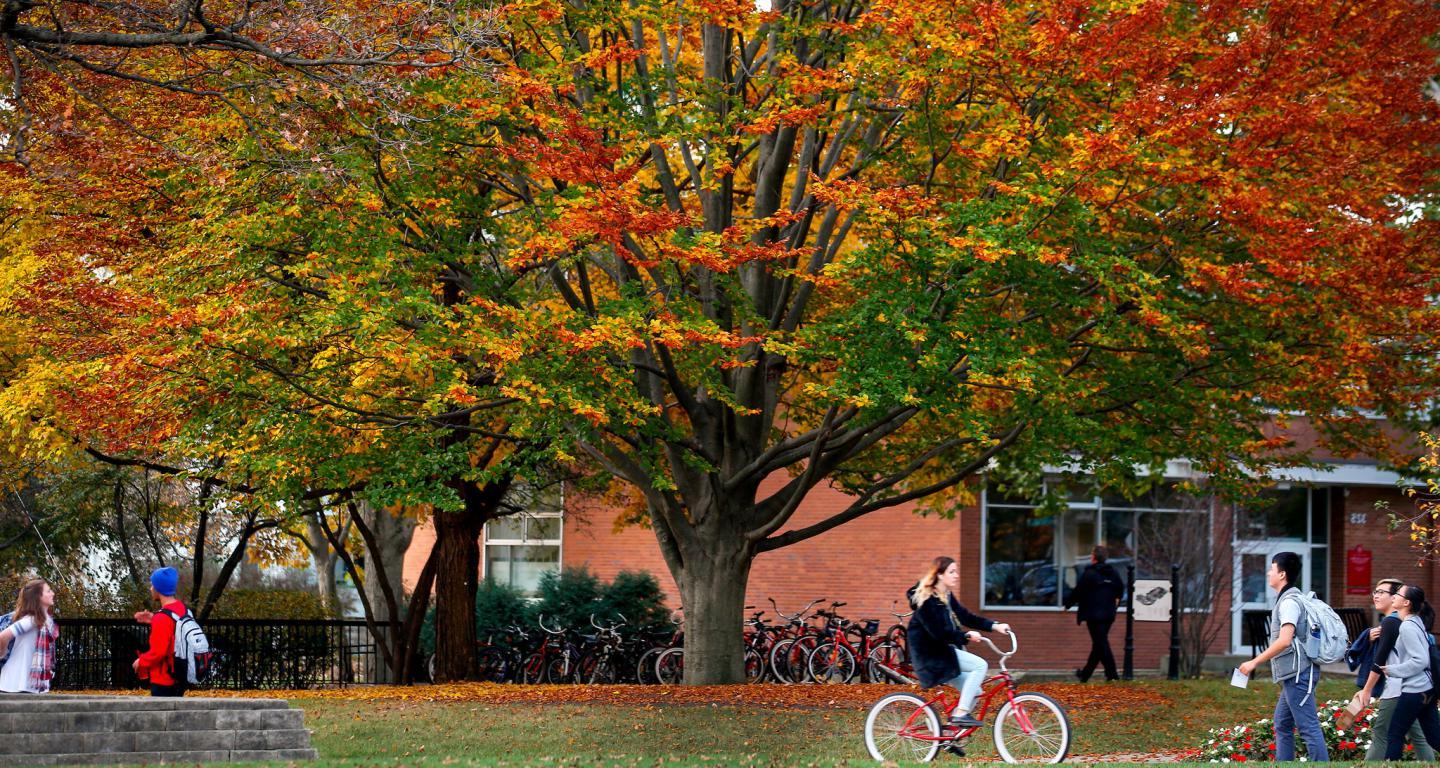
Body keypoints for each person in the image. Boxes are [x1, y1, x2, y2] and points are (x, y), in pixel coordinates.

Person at [1237, 551, 1328, 762]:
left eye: (1272, 568)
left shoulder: (1289, 603)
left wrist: (1254, 662)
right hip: (1294, 675)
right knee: (1282, 724)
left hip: (1299, 675)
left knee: (1308, 727)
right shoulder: (1288, 599)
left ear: (1282, 574)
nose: (1269, 572)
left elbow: (1285, 640)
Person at [907, 556, 1011, 729]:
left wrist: (994, 626)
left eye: (956, 571)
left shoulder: (945, 595)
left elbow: (966, 616)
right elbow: (939, 633)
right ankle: (961, 714)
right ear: (939, 575)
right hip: (931, 655)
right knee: (980, 665)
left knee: (975, 692)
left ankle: (949, 736)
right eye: (952, 572)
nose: (956, 575)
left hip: (942, 652)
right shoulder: (926, 601)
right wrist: (965, 636)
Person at [1352, 578, 1434, 760]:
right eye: (1376, 591)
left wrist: (1366, 690)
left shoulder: (1392, 623)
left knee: (1381, 733)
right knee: (1418, 736)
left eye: (1382, 592)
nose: (1376, 595)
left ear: (1396, 599)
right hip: (1413, 687)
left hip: (1398, 689)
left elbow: (1379, 661)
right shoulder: (1404, 622)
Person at [1379, 584, 1440, 761]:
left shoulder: (1407, 627)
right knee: (1434, 737)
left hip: (1415, 689)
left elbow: (1420, 660)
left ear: (1406, 602)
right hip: (1426, 689)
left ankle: (1391, 765)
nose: (1394, 595)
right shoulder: (1416, 621)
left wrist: (1392, 670)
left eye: (1397, 593)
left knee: (1395, 734)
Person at [1063, 545, 1123, 682]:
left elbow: (1078, 591)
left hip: (1093, 615)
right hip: (1108, 614)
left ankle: (1112, 674)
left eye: (1091, 555)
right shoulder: (1113, 573)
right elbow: (1120, 589)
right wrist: (1115, 602)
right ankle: (1085, 675)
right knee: (1099, 644)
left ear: (1094, 558)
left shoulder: (1089, 573)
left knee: (1101, 643)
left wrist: (1067, 605)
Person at [133, 566, 188, 697]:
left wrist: (141, 661)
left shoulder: (162, 618)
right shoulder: (183, 609)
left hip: (163, 680)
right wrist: (153, 619)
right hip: (179, 676)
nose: (150, 588)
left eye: (152, 585)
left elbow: (158, 652)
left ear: (159, 588)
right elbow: (174, 630)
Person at [0, 579, 59, 693]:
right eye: (48, 591)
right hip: (16, 682)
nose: (53, 593)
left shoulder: (45, 620)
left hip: (28, 683)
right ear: (38, 597)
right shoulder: (32, 620)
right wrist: (3, 653)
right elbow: (3, 636)